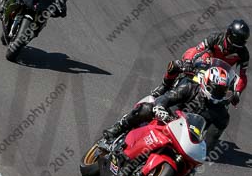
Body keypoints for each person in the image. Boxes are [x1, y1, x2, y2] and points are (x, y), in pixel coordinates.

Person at [103, 60, 241, 151]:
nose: (217, 92)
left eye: (221, 90)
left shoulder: (222, 115)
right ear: (206, 82)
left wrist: (198, 158)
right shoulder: (190, 87)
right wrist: (160, 107)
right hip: (166, 118)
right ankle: (118, 127)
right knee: (147, 108)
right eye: (215, 88)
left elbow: (208, 143)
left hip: (184, 137)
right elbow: (166, 98)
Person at [158, 18, 250, 95]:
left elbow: (242, 76)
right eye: (234, 39)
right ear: (228, 34)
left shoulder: (244, 54)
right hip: (203, 65)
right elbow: (197, 49)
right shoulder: (215, 38)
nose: (234, 46)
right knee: (175, 65)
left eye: (239, 41)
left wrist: (238, 92)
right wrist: (188, 62)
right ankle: (164, 86)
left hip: (219, 77)